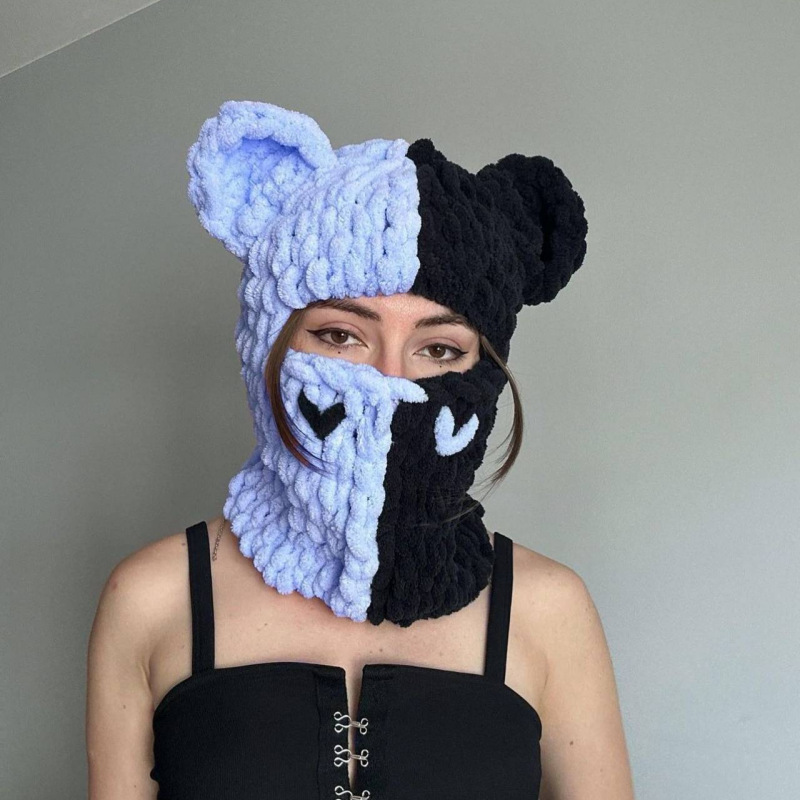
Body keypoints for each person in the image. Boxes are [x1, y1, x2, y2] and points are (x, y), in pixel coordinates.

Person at [86, 100, 635, 799]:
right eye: (341, 335)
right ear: (266, 344)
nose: (389, 383)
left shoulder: (548, 609)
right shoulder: (151, 598)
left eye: (439, 349)